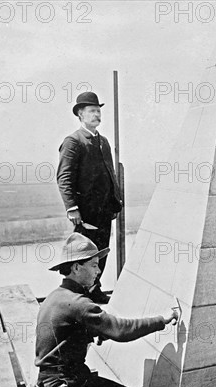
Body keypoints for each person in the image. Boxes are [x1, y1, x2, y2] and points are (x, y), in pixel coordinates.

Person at [34, 233, 178, 387]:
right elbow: (120, 330)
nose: (98, 271)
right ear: (75, 268)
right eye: (93, 265)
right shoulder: (78, 303)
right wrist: (162, 320)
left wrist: (90, 332)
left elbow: (64, 337)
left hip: (61, 382)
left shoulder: (57, 297)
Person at [57, 91, 122, 304]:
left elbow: (110, 174)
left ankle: (94, 289)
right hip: (86, 213)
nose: (97, 115)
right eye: (92, 111)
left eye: (98, 111)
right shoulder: (73, 142)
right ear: (80, 115)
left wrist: (115, 201)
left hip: (104, 211)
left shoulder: (103, 142)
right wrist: (72, 208)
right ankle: (78, 295)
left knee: (101, 252)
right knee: (84, 255)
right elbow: (64, 178)